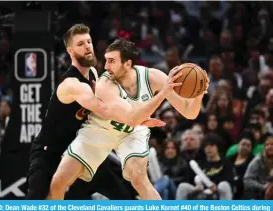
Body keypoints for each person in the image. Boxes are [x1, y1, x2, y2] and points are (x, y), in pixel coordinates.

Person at [26, 23, 174, 200]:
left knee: (125, 193)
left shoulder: (94, 75)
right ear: (70, 51)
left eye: (88, 41)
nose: (88, 46)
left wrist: (136, 117)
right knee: (39, 201)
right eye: (80, 44)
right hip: (49, 151)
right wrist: (136, 117)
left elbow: (114, 107)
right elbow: (104, 109)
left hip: (80, 147)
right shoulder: (71, 84)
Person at [48, 38, 209, 200]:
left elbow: (190, 113)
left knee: (139, 178)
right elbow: (132, 118)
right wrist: (164, 94)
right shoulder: (105, 84)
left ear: (127, 64)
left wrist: (199, 92)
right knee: (58, 181)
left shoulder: (153, 77)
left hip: (132, 131)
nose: (106, 67)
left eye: (111, 61)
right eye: (106, 61)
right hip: (102, 128)